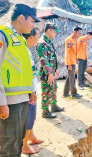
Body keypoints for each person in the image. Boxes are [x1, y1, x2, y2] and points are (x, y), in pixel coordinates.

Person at [0, 4, 40, 156]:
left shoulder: (20, 40)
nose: (34, 25)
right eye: (32, 20)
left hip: (23, 100)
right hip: (10, 102)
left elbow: (24, 68)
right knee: (9, 144)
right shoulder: (3, 35)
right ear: (21, 18)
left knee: (18, 139)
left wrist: (31, 90)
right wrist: (1, 102)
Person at [22, 28, 44, 154]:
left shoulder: (28, 50)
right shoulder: (23, 51)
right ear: (30, 37)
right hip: (28, 91)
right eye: (37, 36)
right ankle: (24, 145)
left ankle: (31, 136)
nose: (38, 39)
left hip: (32, 89)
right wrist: (30, 90)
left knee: (32, 115)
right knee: (28, 116)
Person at [37, 23, 64, 118]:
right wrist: (49, 73)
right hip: (46, 73)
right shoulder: (42, 43)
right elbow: (43, 60)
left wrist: (55, 70)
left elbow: (52, 57)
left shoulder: (49, 41)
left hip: (51, 72)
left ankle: (53, 106)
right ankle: (45, 111)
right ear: (48, 30)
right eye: (54, 31)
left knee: (54, 88)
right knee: (46, 91)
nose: (55, 34)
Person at [63, 26, 83, 98]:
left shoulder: (75, 40)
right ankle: (74, 93)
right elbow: (67, 52)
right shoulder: (69, 40)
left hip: (73, 61)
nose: (80, 35)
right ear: (75, 32)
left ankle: (65, 93)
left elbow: (75, 51)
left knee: (69, 77)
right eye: (79, 33)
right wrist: (69, 64)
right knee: (72, 78)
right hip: (70, 62)